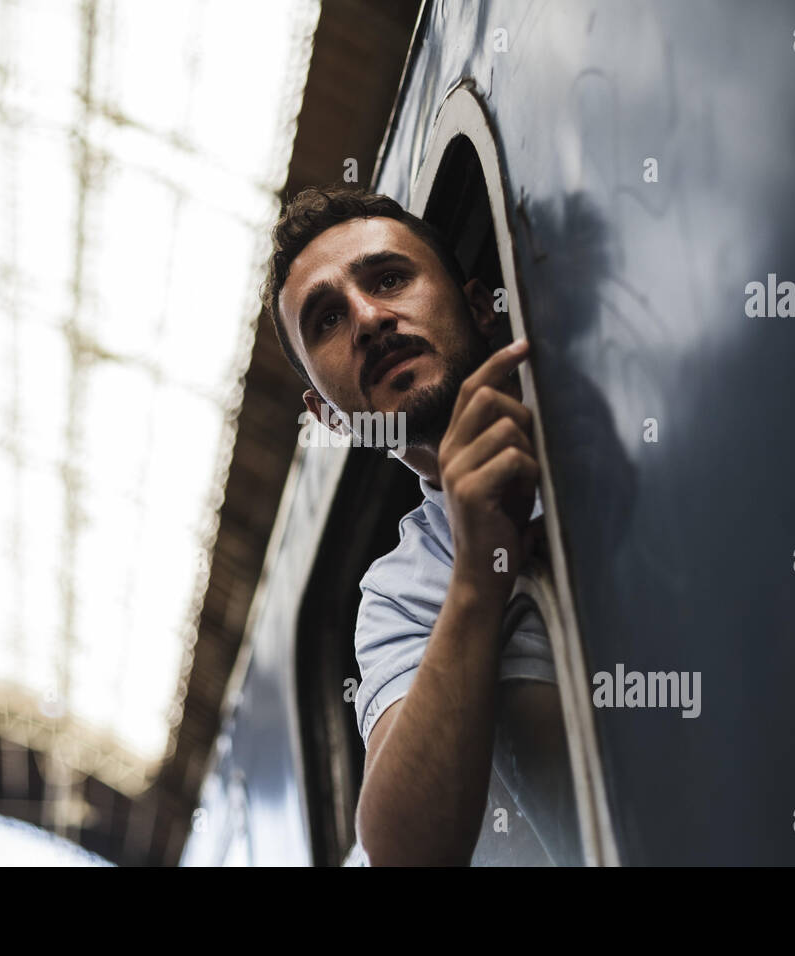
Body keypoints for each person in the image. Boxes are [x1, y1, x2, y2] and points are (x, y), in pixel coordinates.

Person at [262, 185, 572, 866]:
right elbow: (406, 854)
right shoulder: (401, 593)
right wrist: (475, 578)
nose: (369, 319)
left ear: (479, 303)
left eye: (391, 279)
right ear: (329, 417)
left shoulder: (599, 408)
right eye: (326, 320)